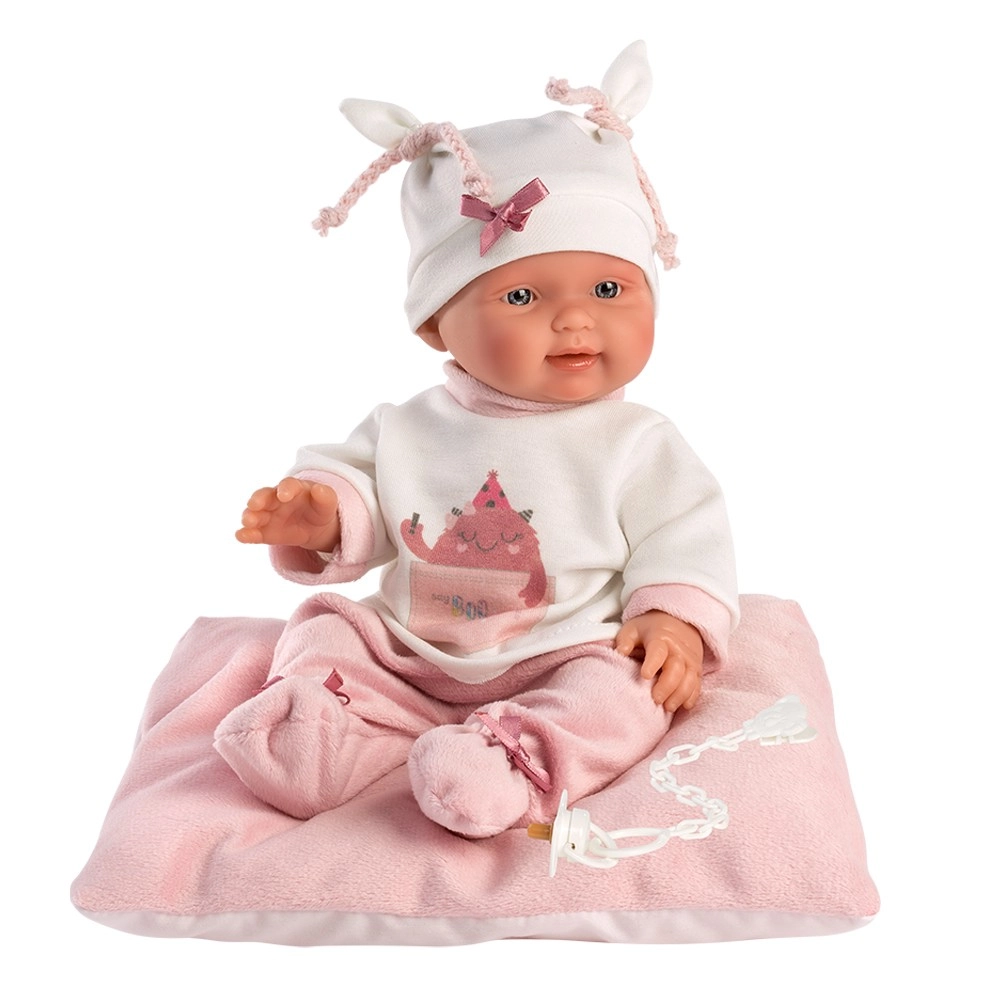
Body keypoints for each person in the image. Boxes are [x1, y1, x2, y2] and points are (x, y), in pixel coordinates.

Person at [214, 41, 739, 838]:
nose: (575, 319)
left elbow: (687, 538)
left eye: (609, 288)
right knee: (326, 627)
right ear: (436, 324)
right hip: (411, 651)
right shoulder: (405, 427)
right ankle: (323, 732)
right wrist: (320, 516)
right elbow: (360, 494)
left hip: (568, 650)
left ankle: (511, 761)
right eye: (523, 296)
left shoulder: (638, 442)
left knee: (630, 691)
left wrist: (674, 621)